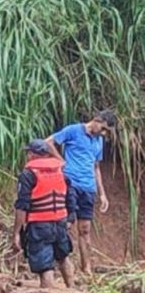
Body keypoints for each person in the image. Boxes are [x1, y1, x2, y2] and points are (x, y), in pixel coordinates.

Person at [46, 110, 117, 276]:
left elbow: (96, 167)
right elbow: (48, 142)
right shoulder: (73, 130)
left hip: (88, 188)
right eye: (104, 129)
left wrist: (102, 193)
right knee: (66, 224)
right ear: (97, 120)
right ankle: (61, 266)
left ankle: (87, 269)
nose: (104, 133)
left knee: (85, 229)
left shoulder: (99, 141)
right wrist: (61, 161)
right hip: (71, 184)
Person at [13, 140, 76, 289]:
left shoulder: (28, 175)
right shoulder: (60, 172)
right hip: (60, 222)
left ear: (32, 155)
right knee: (63, 257)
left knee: (44, 265)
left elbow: (22, 206)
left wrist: (16, 233)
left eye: (29, 152)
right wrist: (70, 218)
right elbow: (70, 197)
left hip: (39, 225)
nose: (28, 155)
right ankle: (72, 289)